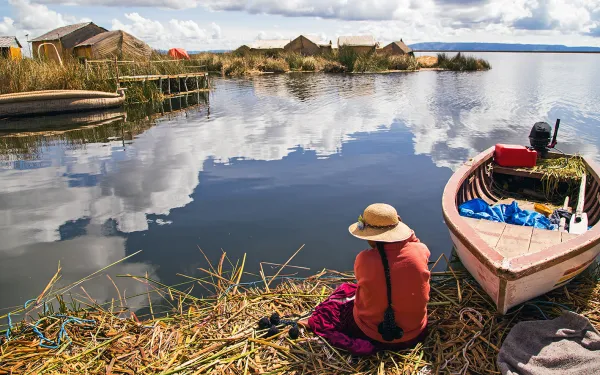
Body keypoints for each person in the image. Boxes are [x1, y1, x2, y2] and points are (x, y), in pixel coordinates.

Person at [301, 203, 431, 355]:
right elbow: (415, 244)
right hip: (415, 334)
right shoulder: (420, 251)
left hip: (371, 335)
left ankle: (310, 322)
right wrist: (406, 232)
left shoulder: (364, 259)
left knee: (342, 297)